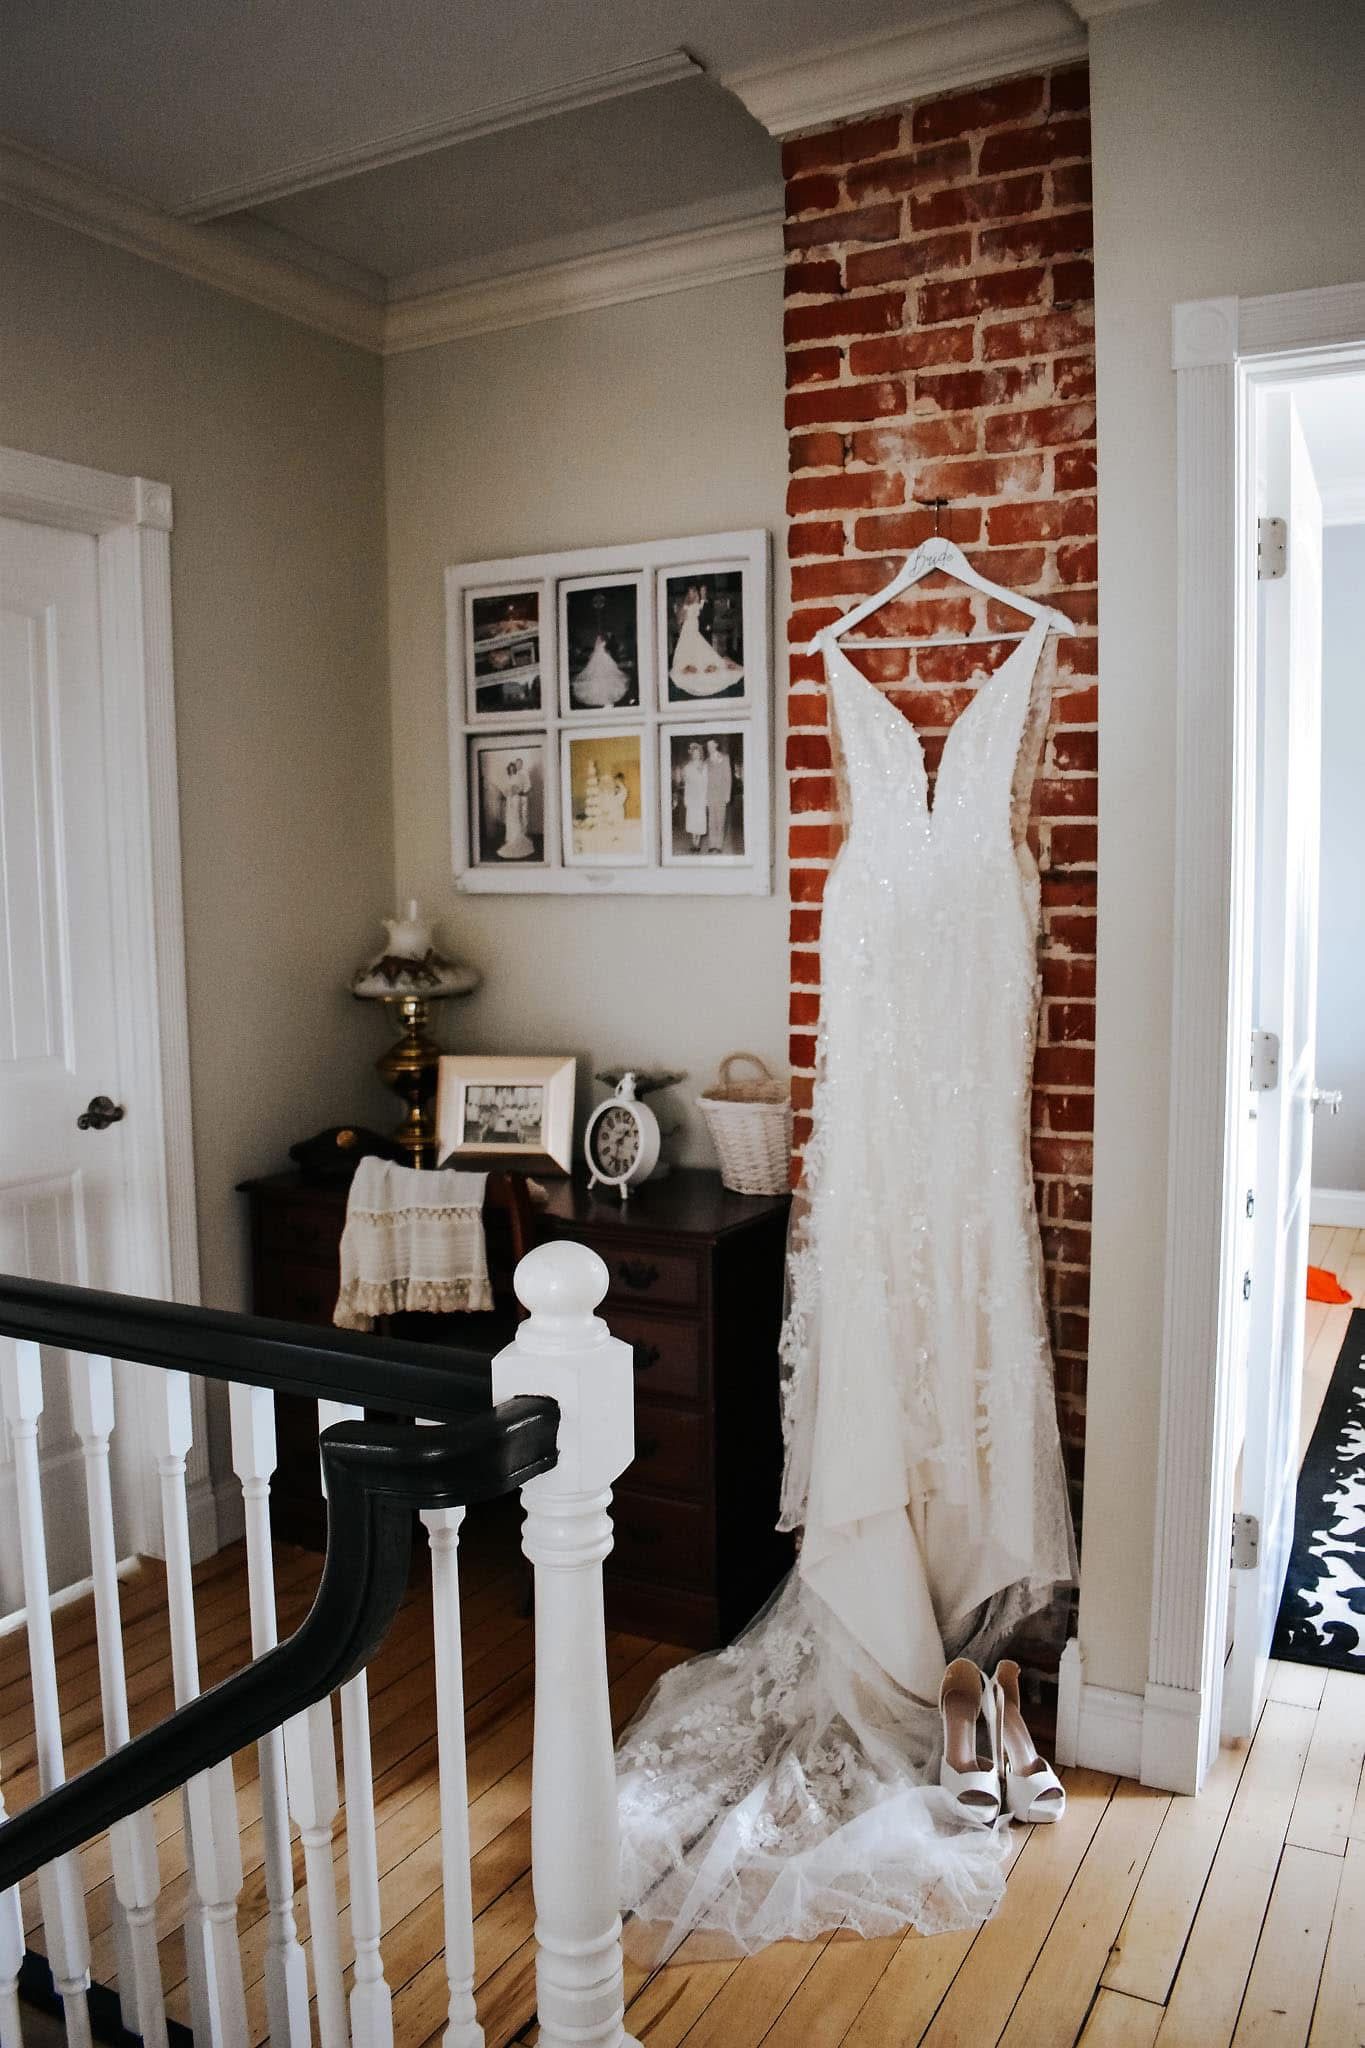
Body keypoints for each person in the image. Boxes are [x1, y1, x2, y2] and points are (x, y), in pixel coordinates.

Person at [669, 583, 743, 696]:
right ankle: (688, 666)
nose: (694, 593)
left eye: (694, 591)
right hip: (688, 629)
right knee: (687, 647)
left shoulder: (697, 604)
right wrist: (684, 610)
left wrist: (703, 594)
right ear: (688, 594)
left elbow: (703, 605)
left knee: (700, 647)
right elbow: (680, 620)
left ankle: (699, 665)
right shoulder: (686, 605)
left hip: (695, 629)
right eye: (691, 592)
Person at [496, 756, 534, 859]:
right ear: (509, 769)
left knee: (517, 817)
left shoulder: (519, 777)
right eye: (511, 769)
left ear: (515, 769)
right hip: (509, 800)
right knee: (510, 818)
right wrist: (507, 793)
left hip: (516, 798)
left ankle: (518, 837)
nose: (512, 770)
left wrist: (514, 791)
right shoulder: (508, 778)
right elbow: (505, 789)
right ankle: (511, 837)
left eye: (514, 768)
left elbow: (521, 788)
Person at [704, 737, 733, 852]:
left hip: (721, 794)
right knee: (711, 820)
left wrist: (727, 794)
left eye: (711, 745)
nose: (709, 748)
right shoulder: (706, 761)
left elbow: (728, 778)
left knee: (720, 820)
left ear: (716, 745)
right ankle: (712, 845)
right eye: (707, 746)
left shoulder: (725, 758)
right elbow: (705, 780)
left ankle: (719, 845)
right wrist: (705, 797)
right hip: (710, 795)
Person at [680, 740, 707, 851]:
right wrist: (686, 798)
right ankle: (693, 843)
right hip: (692, 796)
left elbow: (706, 782)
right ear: (692, 754)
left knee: (699, 819)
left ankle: (698, 843)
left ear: (700, 753)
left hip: (701, 796)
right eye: (694, 753)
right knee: (692, 819)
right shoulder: (687, 767)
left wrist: (706, 798)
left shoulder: (704, 766)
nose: (696, 754)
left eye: (698, 753)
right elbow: (687, 784)